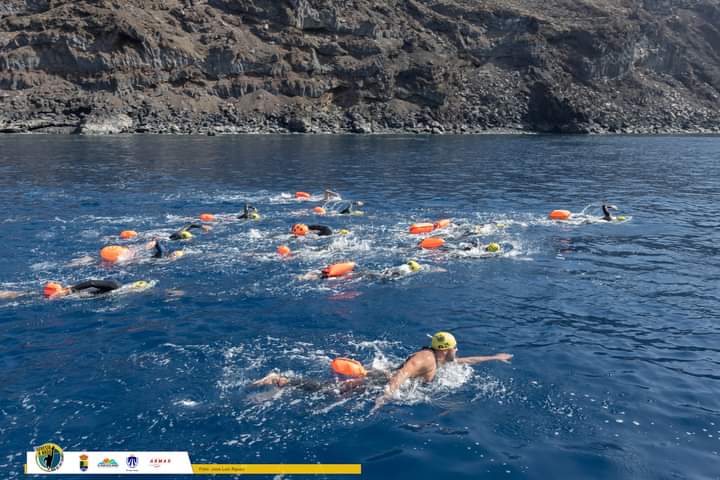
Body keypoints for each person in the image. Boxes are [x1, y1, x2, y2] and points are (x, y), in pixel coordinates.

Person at [373, 332, 512, 411]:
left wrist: (494, 357)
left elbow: (465, 360)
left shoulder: (438, 357)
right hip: (379, 384)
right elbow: (403, 373)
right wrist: (384, 396)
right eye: (455, 348)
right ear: (446, 350)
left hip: (395, 384)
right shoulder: (425, 358)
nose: (456, 350)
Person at [42, 279, 151, 298]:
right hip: (68, 292)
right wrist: (71, 290)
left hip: (72, 293)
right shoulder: (115, 285)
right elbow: (91, 282)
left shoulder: (117, 291)